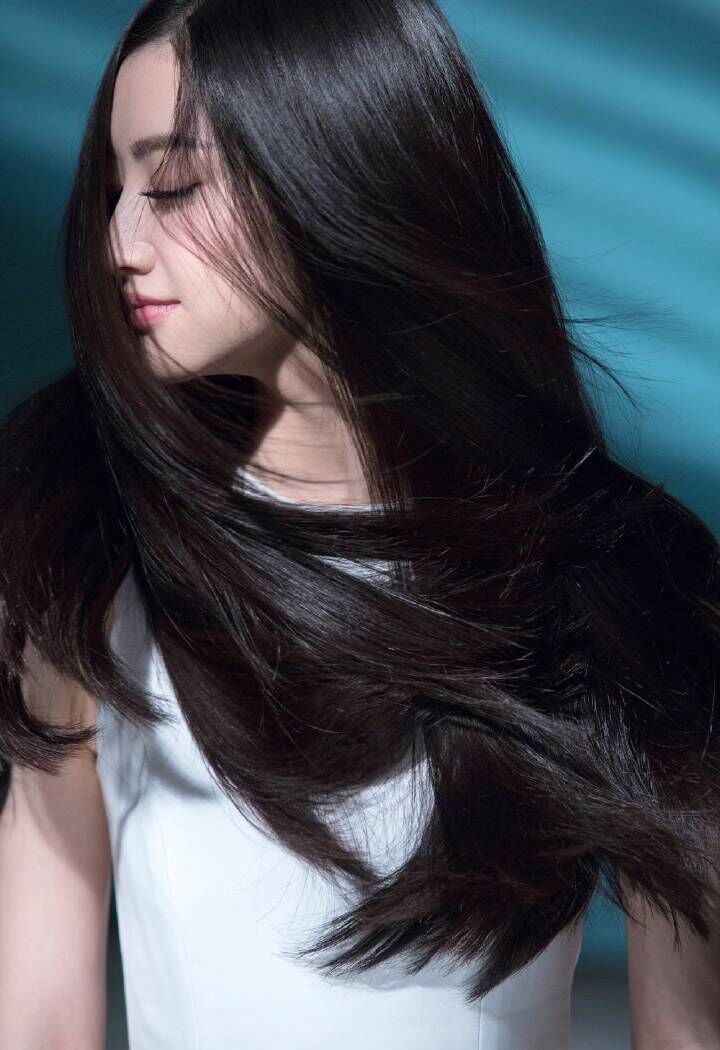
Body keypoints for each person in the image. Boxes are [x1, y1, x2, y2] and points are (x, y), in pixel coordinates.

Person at [1, 1, 720, 1047]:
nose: (121, 244)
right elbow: (35, 1013)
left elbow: (688, 1030)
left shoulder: (618, 578)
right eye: (115, 192)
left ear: (333, 166)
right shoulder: (88, 541)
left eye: (174, 186)